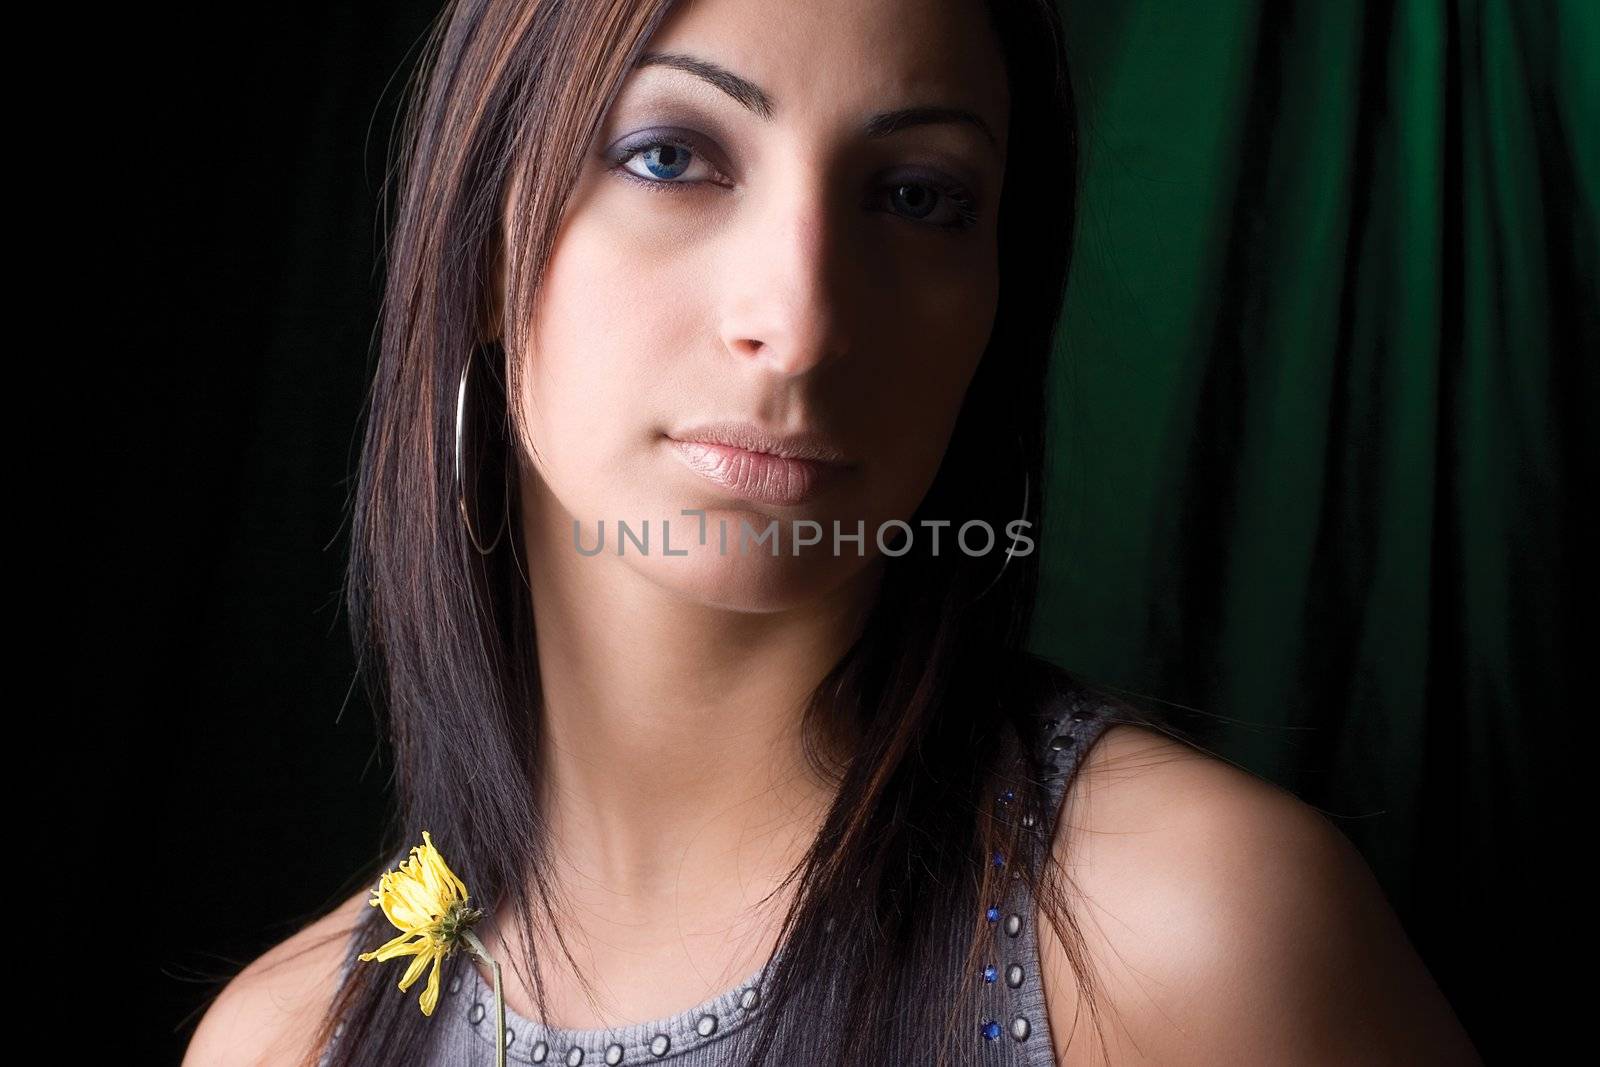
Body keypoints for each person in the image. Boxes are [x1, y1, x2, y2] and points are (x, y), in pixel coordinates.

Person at [183, 0, 1481, 1063]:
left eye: (917, 196)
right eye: (671, 157)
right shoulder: (290, 1037)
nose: (799, 323)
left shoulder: (1198, 934)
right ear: (479, 237)